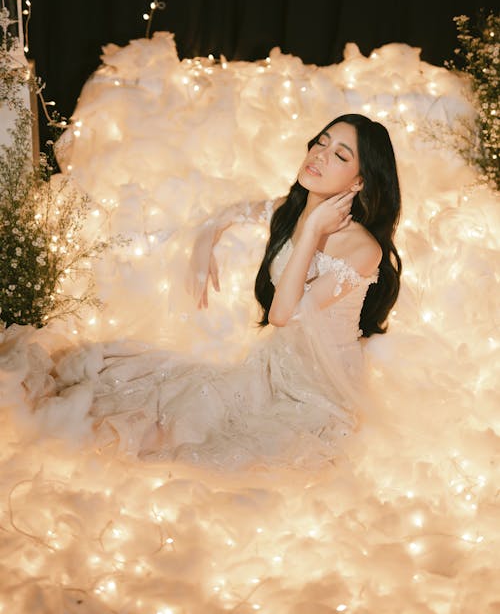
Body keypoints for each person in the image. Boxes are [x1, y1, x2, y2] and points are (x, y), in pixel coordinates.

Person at [4, 114, 402, 472]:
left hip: (318, 390)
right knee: (162, 404)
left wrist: (314, 231)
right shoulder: (289, 210)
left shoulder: (362, 249)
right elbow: (228, 214)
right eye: (321, 142)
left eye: (340, 154)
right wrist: (203, 245)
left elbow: (283, 314)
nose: (319, 154)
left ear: (359, 181)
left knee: (213, 447)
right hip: (274, 364)